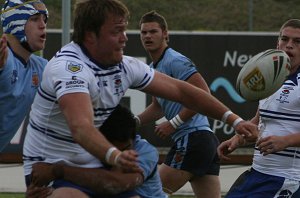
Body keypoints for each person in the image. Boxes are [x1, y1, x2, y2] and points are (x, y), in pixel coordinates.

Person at [23, 0, 258, 197]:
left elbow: (185, 92)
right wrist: (116, 156)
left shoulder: (127, 65)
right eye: (116, 31)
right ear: (90, 36)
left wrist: (236, 121)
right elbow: (81, 127)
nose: (125, 38)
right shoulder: (70, 67)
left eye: (124, 30)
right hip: (48, 168)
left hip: (99, 161)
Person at [137, 10, 221, 197]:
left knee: (149, 194)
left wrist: (173, 123)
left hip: (193, 139)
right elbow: (157, 107)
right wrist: (133, 122)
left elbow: (203, 95)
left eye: (153, 31)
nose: (148, 36)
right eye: (144, 32)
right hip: (204, 142)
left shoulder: (175, 60)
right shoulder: (152, 68)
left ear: (165, 34)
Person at [218, 18, 300, 198]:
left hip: (285, 180)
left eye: (297, 41)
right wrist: (237, 140)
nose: (289, 45)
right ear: (277, 43)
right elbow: (259, 121)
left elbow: (283, 137)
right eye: (284, 39)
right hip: (256, 174)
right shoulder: (271, 77)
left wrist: (286, 141)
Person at [27, 104, 167, 198]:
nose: (118, 157)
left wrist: (58, 171)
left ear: (133, 139)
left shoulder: (144, 151)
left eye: (123, 150)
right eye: (111, 151)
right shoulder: (76, 147)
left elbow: (118, 184)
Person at [0, 0, 48, 152]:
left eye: (44, 19)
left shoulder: (40, 67)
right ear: (15, 23)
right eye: (34, 19)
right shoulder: (5, 60)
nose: (43, 25)